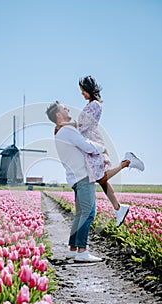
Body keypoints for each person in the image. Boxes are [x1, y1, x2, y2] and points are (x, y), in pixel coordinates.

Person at [59, 75, 145, 226]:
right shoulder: (92, 104)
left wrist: (71, 130)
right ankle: (119, 208)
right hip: (88, 141)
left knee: (100, 177)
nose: (82, 94)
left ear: (89, 89)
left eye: (83, 90)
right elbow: (82, 125)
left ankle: (127, 162)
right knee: (101, 179)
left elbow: (84, 126)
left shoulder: (95, 105)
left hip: (90, 142)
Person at [46, 101, 104, 262]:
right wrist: (100, 147)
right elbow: (86, 146)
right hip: (83, 176)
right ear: (59, 114)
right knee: (88, 213)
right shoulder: (67, 130)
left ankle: (73, 249)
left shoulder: (60, 132)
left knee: (80, 214)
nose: (68, 109)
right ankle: (82, 252)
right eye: (65, 108)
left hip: (75, 178)